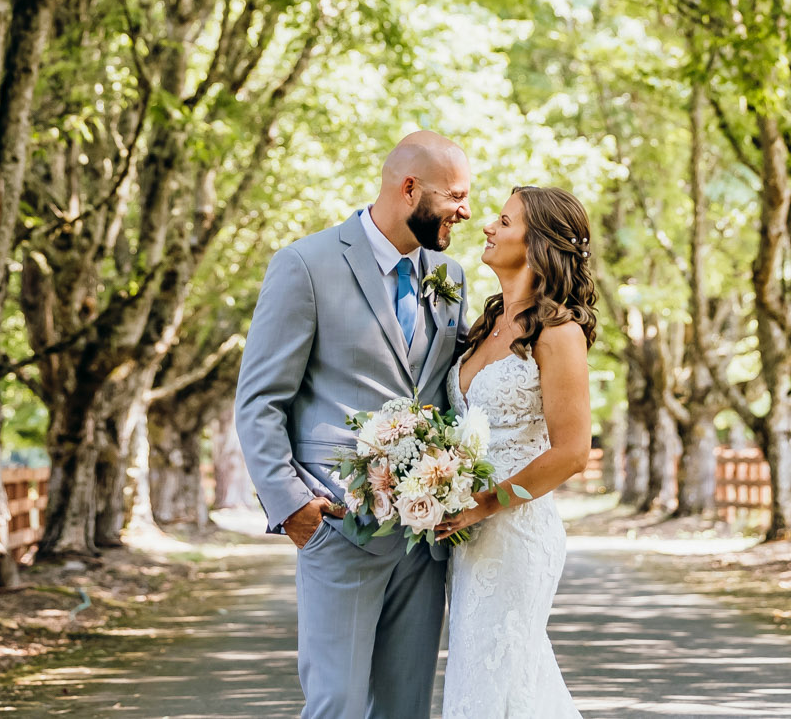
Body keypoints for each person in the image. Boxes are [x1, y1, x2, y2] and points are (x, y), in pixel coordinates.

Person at [236, 132, 476, 719]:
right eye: (456, 196)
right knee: (336, 707)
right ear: (409, 188)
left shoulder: (451, 275)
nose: (466, 211)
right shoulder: (305, 265)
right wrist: (291, 505)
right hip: (340, 529)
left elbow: (445, 391)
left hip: (424, 543)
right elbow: (259, 399)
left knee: (404, 709)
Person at [432, 185, 596, 719]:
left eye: (504, 221)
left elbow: (572, 452)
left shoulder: (559, 332)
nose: (487, 226)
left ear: (538, 242)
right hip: (470, 533)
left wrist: (485, 503)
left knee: (496, 679)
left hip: (515, 530)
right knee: (494, 680)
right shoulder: (486, 325)